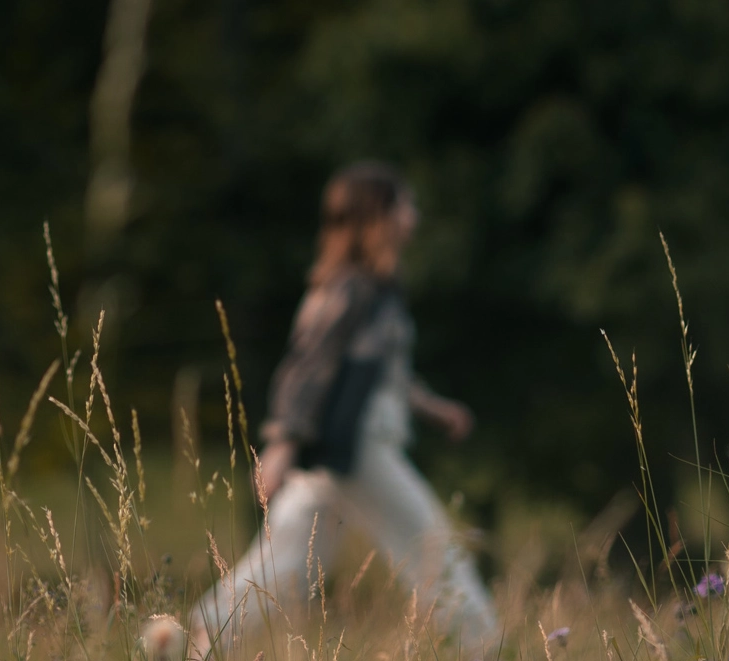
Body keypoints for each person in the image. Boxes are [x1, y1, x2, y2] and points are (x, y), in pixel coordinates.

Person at [188, 162, 498, 657]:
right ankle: (482, 645)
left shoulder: (376, 289)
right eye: (405, 204)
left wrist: (435, 409)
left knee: (290, 561)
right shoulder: (350, 288)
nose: (413, 215)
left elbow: (385, 374)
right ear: (379, 215)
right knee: (431, 545)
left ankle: (192, 643)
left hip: (349, 446)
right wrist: (280, 445)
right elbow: (308, 366)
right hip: (360, 447)